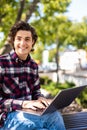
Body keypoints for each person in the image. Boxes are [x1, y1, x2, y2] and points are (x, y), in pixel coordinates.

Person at [0, 21, 66, 130]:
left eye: (27, 39)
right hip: (7, 117)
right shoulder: (2, 63)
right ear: (13, 40)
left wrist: (40, 98)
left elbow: (36, 92)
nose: (23, 43)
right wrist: (23, 104)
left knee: (55, 116)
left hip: (31, 114)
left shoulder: (33, 66)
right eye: (19, 38)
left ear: (32, 42)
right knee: (40, 121)